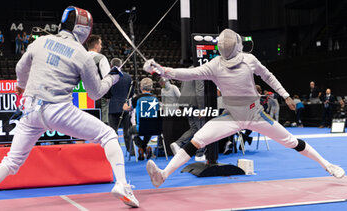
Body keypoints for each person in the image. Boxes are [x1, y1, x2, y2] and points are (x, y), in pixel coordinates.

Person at [143, 28, 345, 188]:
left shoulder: (248, 61)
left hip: (256, 115)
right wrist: (162, 70)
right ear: (238, 45)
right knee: (196, 141)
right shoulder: (217, 65)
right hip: (231, 117)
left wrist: (285, 95)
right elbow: (190, 73)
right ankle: (163, 175)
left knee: (291, 141)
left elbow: (267, 76)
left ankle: (327, 165)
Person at [0, 6, 139, 207]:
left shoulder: (41, 41)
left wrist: (21, 86)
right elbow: (95, 92)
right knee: (107, 135)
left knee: (11, 162)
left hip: (30, 110)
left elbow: (21, 67)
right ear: (83, 30)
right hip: (58, 110)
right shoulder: (81, 54)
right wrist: (113, 77)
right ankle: (122, 185)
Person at [169, 79, 206, 161]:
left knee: (194, 128)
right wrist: (201, 108)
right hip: (195, 103)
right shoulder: (199, 71)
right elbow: (200, 90)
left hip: (186, 103)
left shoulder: (189, 70)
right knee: (201, 129)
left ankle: (178, 144)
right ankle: (200, 154)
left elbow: (182, 87)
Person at [123, 78, 158, 160]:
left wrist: (124, 106)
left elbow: (129, 109)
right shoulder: (155, 99)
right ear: (151, 87)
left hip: (140, 127)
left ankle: (142, 148)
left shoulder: (137, 98)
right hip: (154, 127)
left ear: (141, 87)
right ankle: (145, 148)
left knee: (130, 131)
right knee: (149, 130)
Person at [108, 58, 133, 155]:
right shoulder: (127, 77)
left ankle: (116, 152)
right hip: (124, 106)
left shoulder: (109, 77)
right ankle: (131, 151)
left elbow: (107, 93)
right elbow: (131, 94)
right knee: (127, 131)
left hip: (113, 107)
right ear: (121, 65)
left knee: (113, 132)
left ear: (111, 66)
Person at [87, 34, 111, 125]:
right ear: (96, 45)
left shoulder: (80, 57)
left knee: (84, 127)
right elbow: (107, 78)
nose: (101, 46)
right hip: (98, 97)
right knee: (102, 125)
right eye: (100, 44)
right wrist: (108, 96)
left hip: (81, 97)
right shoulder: (101, 58)